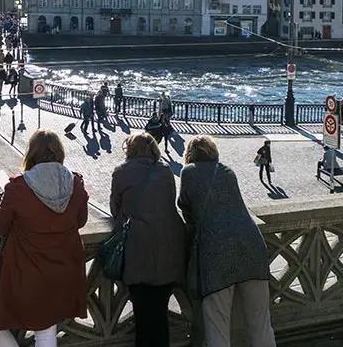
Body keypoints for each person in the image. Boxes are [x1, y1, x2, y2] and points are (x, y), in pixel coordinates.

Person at [0, 129, 89, 347]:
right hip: (63, 271)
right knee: (46, 327)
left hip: (25, 272)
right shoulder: (75, 183)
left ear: (31, 154)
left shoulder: (18, 187)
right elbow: (81, 221)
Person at [178, 136, 276, 347]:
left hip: (216, 255)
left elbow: (186, 208)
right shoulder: (227, 171)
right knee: (260, 324)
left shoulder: (188, 172)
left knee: (217, 326)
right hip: (252, 246)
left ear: (190, 154)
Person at [109, 133, 187, 347]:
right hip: (168, 248)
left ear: (129, 150)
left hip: (138, 249)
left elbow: (115, 210)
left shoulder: (121, 173)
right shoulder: (164, 171)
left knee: (143, 316)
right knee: (161, 313)